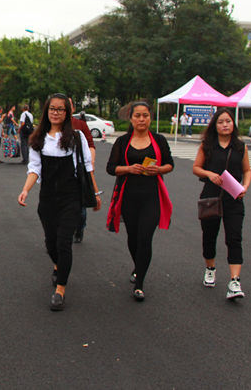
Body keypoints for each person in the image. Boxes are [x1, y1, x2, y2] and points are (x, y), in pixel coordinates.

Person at [18, 93, 102, 311]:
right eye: (52, 109)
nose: (56, 113)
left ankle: (60, 289)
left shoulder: (76, 137)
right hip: (47, 198)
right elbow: (34, 168)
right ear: (46, 111)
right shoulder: (38, 138)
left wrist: (95, 193)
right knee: (51, 243)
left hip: (70, 197)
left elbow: (86, 166)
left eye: (60, 109)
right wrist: (25, 190)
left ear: (67, 113)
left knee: (64, 242)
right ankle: (57, 265)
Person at [106, 101, 174, 301]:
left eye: (145, 115)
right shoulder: (123, 142)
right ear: (131, 118)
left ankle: (139, 283)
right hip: (128, 196)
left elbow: (170, 164)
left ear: (150, 118)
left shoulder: (159, 140)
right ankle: (138, 265)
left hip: (151, 196)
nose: (142, 119)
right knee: (133, 238)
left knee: (145, 238)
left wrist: (159, 170)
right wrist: (128, 168)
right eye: (138, 116)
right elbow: (111, 168)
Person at [192, 108, 251, 300]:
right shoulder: (207, 146)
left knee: (234, 238)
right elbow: (196, 168)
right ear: (215, 126)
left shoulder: (241, 147)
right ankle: (210, 268)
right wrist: (209, 174)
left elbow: (248, 170)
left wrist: (245, 186)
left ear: (233, 124)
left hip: (234, 198)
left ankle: (235, 281)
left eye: (228, 121)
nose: (225, 124)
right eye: (221, 122)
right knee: (209, 236)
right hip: (211, 196)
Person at [69, 98, 95, 243]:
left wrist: (90, 164)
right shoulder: (52, 125)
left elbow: (91, 145)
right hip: (60, 176)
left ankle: (80, 228)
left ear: (72, 109)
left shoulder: (80, 125)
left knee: (80, 206)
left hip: (79, 172)